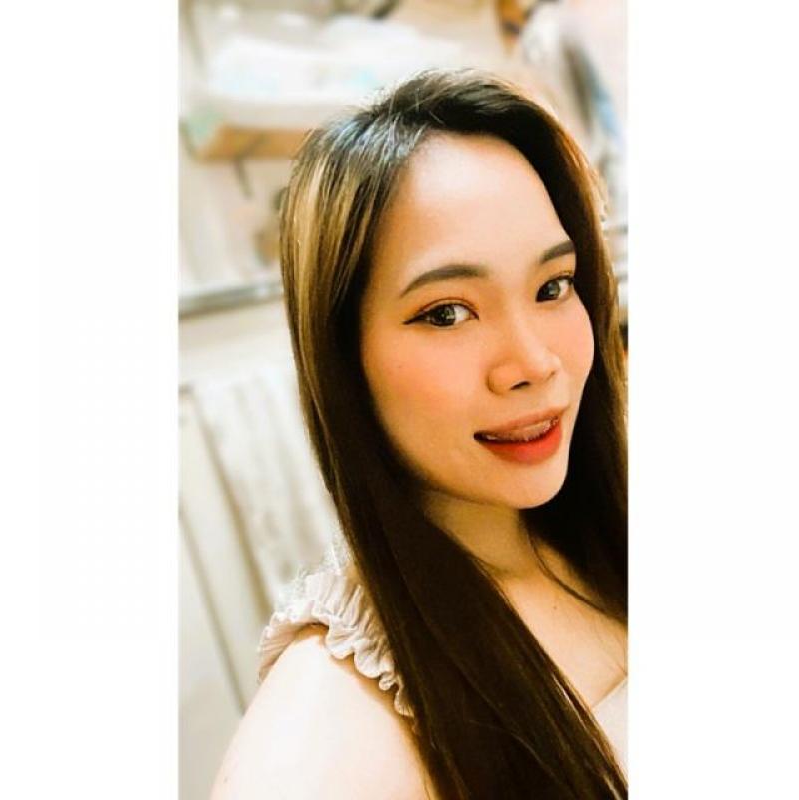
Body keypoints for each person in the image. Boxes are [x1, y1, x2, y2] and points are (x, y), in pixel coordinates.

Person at [212, 68, 628, 799]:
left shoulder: (605, 530)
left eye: (552, 287)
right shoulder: (331, 730)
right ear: (344, 358)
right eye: (446, 313)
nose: (535, 363)